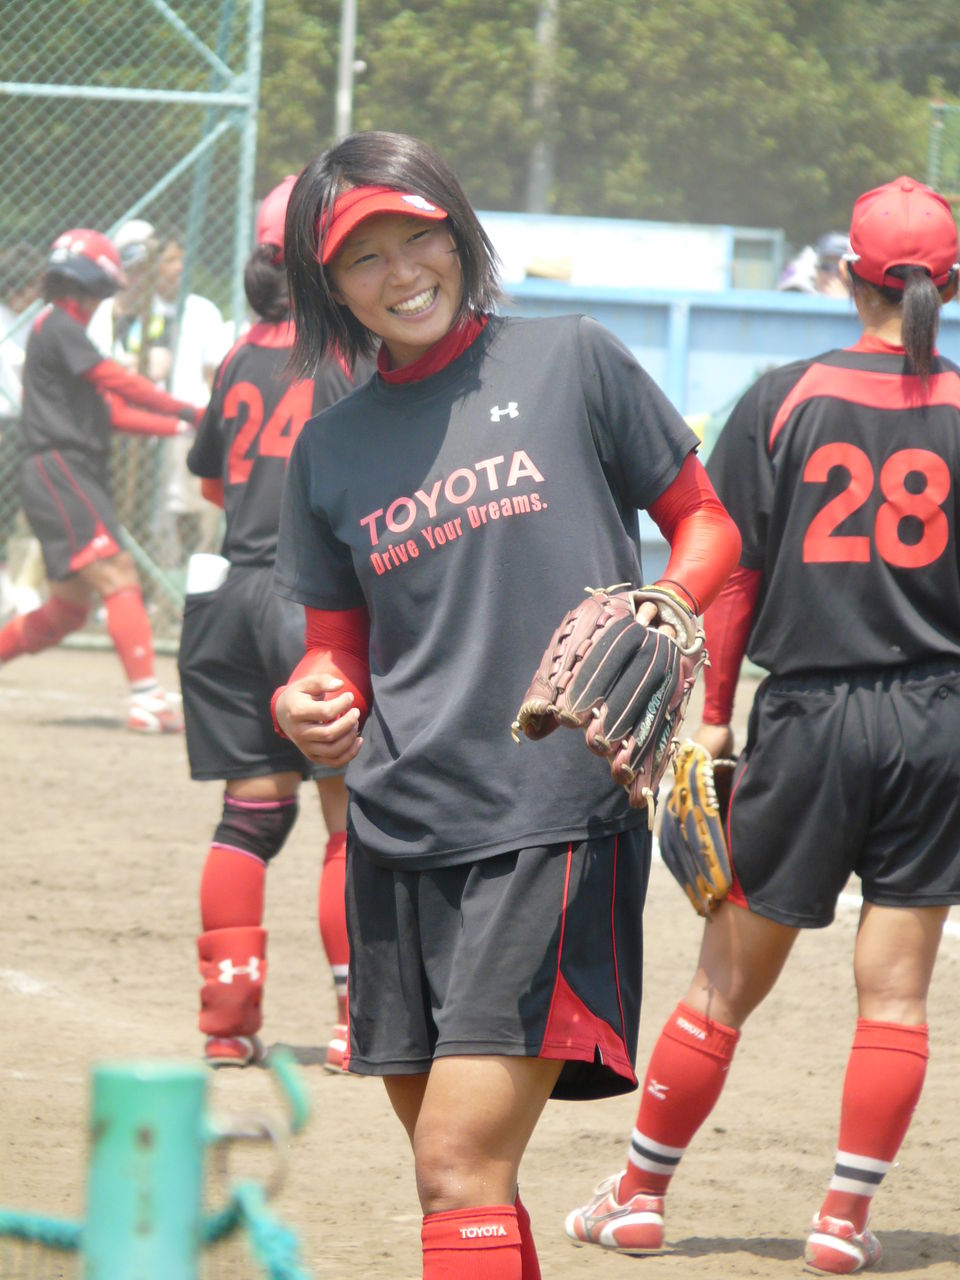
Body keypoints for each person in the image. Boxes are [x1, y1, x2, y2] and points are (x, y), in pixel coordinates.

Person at [270, 130, 741, 1280]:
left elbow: (710, 522)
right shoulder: (327, 448)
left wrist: (662, 605)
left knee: (455, 1161)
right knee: (463, 1185)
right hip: (394, 834)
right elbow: (335, 659)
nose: (401, 271)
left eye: (417, 236)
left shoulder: (570, 359)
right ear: (328, 285)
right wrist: (307, 704)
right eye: (363, 256)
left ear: (457, 230)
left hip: (549, 810)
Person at [565, 175, 960, 1275]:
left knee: (724, 986)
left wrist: (712, 715)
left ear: (848, 278)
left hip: (810, 716)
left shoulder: (784, 395)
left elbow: (727, 571)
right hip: (938, 719)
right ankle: (841, 1220)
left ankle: (639, 1197)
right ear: (953, 284)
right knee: (897, 992)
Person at [179, 176, 373, 1069]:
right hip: (312, 606)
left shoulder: (238, 354)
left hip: (227, 598)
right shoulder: (350, 355)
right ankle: (353, 1022)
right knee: (348, 818)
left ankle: (227, 1027)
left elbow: (214, 483)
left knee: (248, 819)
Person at [0, 228, 204, 731]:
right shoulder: (61, 327)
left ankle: (144, 697)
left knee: (69, 611)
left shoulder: (63, 331)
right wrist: (186, 407)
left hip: (64, 472)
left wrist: (180, 426)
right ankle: (147, 699)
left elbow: (109, 412)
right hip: (60, 471)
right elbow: (116, 382)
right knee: (117, 573)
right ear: (98, 279)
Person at [89, 221, 229, 556]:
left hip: (186, 424)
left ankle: (185, 579)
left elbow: (211, 375)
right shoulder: (124, 311)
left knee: (192, 509)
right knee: (147, 513)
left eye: (181, 259)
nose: (177, 267)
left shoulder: (197, 310)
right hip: (139, 430)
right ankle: (157, 575)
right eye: (168, 260)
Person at [0, 241, 46, 618]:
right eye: (31, 286)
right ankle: (5, 584)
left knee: (39, 507)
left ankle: (27, 583)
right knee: (3, 509)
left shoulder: (38, 320)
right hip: (4, 424)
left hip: (32, 424)